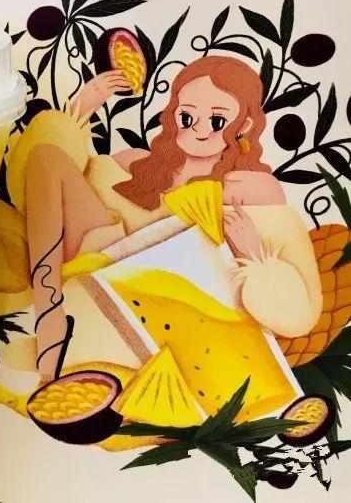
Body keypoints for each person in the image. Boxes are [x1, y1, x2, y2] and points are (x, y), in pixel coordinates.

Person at [22, 56, 322, 380]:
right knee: (46, 157)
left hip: (174, 311)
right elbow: (45, 193)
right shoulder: (137, 162)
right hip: (92, 264)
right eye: (187, 116)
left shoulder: (252, 187)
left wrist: (255, 258)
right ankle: (48, 315)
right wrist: (81, 107)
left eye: (217, 120)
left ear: (244, 125)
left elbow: (299, 313)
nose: (198, 129)